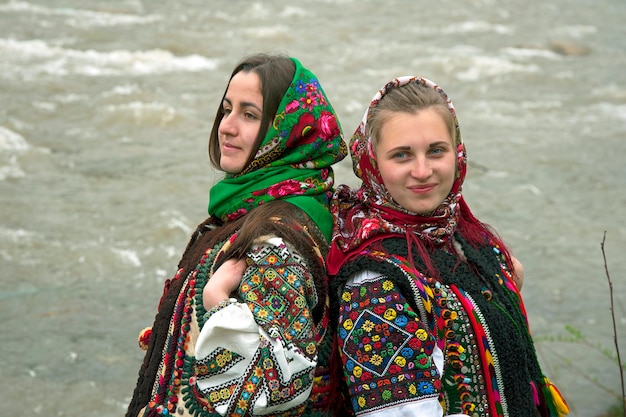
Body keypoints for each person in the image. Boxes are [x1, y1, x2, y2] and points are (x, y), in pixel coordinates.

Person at [325, 76, 569, 416]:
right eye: (402, 155)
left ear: (458, 153)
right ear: (373, 163)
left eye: (436, 151)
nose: (422, 171)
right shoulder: (373, 284)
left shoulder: (465, 240)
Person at [126, 53, 348, 417]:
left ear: (286, 132)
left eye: (249, 115)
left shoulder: (277, 240)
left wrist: (217, 302)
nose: (226, 126)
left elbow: (279, 383)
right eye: (227, 109)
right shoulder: (268, 207)